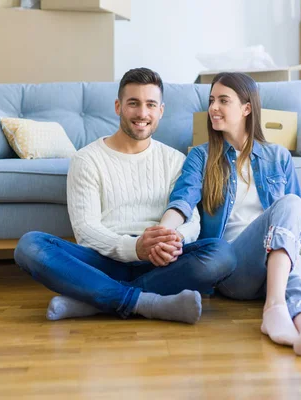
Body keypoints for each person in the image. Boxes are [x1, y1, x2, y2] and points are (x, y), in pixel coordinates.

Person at [14, 68, 236, 324]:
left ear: (161, 111)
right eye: (134, 103)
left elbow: (191, 220)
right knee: (30, 246)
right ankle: (145, 302)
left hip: (162, 261)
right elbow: (86, 230)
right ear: (118, 107)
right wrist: (135, 248)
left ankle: (95, 298)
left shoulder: (175, 160)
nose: (142, 113)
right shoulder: (86, 159)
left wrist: (170, 241)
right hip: (104, 259)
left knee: (222, 254)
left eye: (150, 104)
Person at [159, 72, 301, 355]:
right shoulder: (201, 156)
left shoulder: (278, 157)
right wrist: (164, 232)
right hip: (233, 268)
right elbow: (182, 201)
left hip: (274, 266)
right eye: (212, 100)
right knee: (289, 205)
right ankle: (274, 307)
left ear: (247, 108)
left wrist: (289, 255)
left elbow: (296, 224)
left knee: (299, 266)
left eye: (223, 100)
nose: (213, 107)